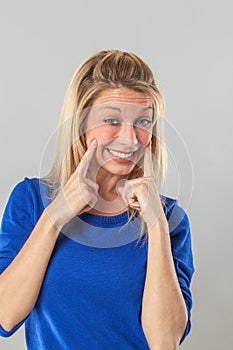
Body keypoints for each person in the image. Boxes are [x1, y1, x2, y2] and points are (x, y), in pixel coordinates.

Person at [0, 49, 195, 349]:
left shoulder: (169, 219)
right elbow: (5, 316)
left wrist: (155, 224)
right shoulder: (31, 201)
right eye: (112, 120)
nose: (130, 139)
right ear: (80, 125)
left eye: (143, 122)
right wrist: (57, 215)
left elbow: (165, 341)